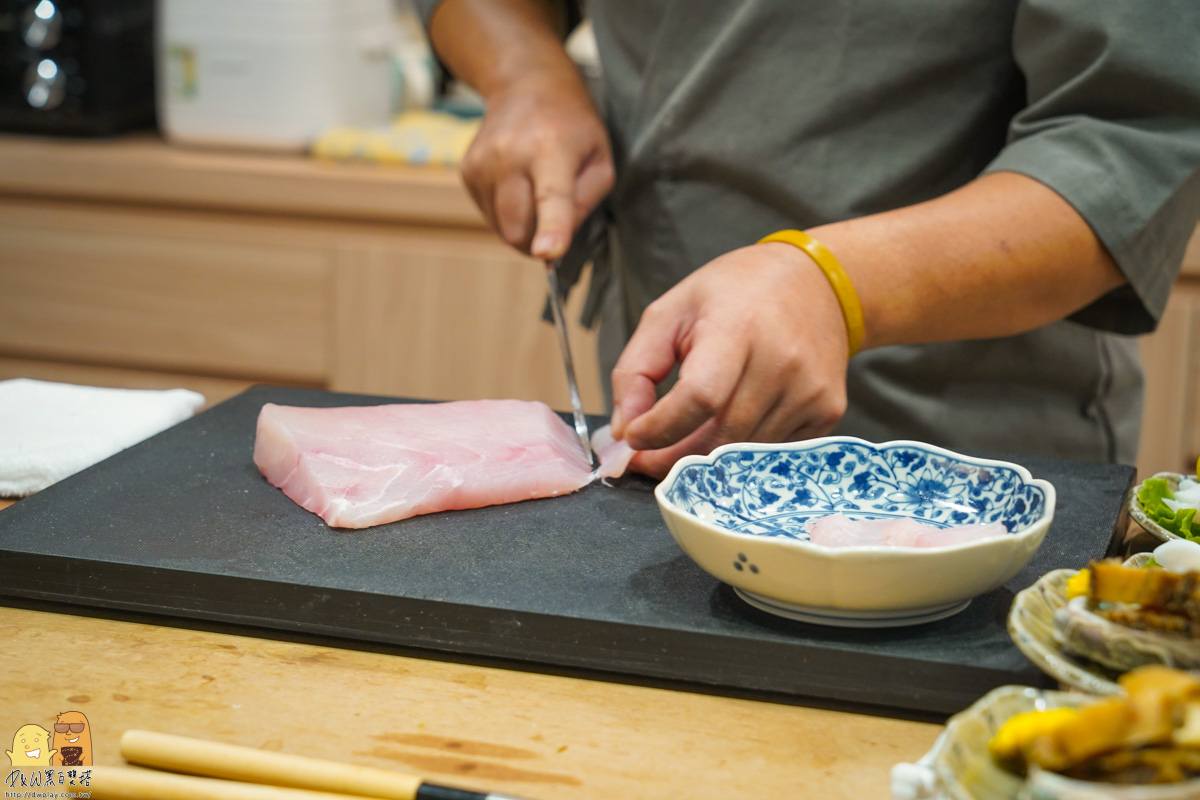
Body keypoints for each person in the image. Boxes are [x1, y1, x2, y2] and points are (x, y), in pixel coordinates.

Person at [414, 0, 1200, 477]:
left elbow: (1132, 142)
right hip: (652, 427)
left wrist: (832, 282)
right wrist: (523, 72)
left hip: (951, 442)